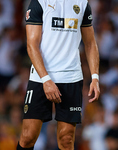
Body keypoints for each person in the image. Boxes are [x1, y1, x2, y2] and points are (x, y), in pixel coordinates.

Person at [17, 0, 100, 149]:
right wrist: (46, 80)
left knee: (66, 139)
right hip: (41, 78)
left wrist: (95, 77)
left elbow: (90, 43)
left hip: (71, 77)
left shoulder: (82, 4)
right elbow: (31, 44)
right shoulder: (39, 2)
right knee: (28, 136)